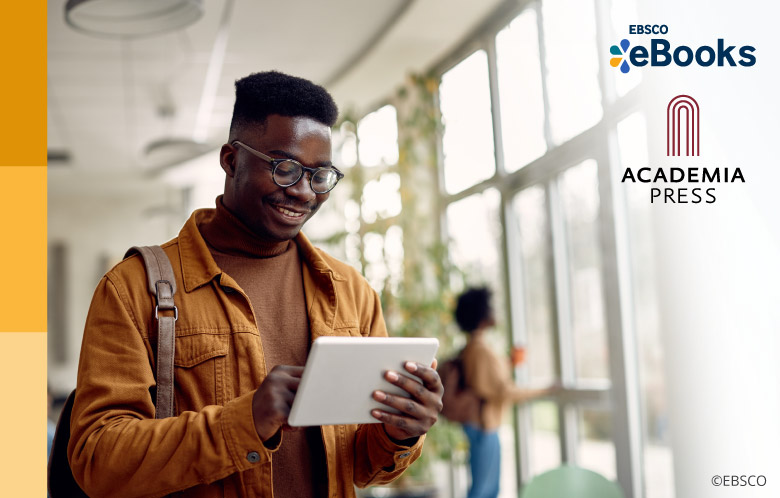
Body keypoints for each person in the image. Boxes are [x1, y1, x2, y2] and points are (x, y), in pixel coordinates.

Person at [68, 71, 444, 498]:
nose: (304, 192)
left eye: (319, 175)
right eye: (285, 168)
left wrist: (399, 432)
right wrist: (245, 422)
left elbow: (360, 467)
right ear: (231, 160)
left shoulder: (351, 293)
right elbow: (98, 460)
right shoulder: (135, 288)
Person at [455, 287, 556, 498]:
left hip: (481, 424)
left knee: (485, 489)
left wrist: (509, 362)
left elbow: (487, 382)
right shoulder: (481, 349)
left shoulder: (474, 347)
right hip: (484, 425)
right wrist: (545, 390)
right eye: (490, 307)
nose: (495, 311)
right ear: (482, 316)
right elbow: (502, 391)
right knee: (484, 491)